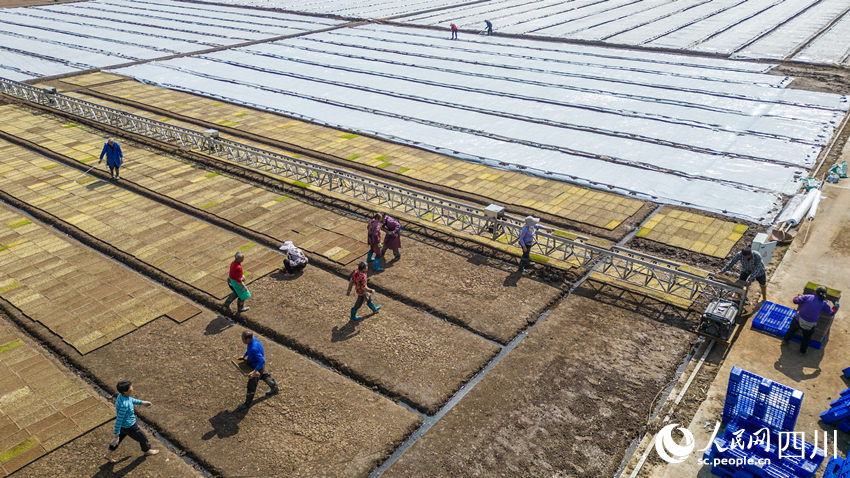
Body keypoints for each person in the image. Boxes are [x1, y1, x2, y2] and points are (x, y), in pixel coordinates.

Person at [105, 380, 158, 463]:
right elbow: (119, 420)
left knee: (117, 441)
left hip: (123, 426)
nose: (132, 388)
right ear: (126, 391)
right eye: (131, 387)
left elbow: (131, 400)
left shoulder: (121, 396)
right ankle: (147, 450)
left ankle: (108, 454)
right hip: (130, 426)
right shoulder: (124, 405)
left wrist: (143, 402)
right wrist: (115, 434)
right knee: (143, 438)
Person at [783, 286, 838, 354]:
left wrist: (797, 297)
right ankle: (802, 351)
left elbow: (795, 301)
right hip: (810, 325)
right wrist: (835, 307)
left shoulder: (808, 297)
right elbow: (831, 313)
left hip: (798, 320)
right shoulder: (824, 304)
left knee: (791, 329)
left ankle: (785, 340)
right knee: (806, 338)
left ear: (816, 292)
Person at [235, 331, 279, 409]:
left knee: (251, 386)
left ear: (248, 339)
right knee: (264, 376)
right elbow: (249, 350)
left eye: (243, 339)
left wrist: (254, 371)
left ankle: (247, 404)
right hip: (256, 364)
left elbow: (262, 360)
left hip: (256, 366)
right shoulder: (253, 340)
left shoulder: (254, 348)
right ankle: (274, 387)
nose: (242, 341)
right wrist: (244, 356)